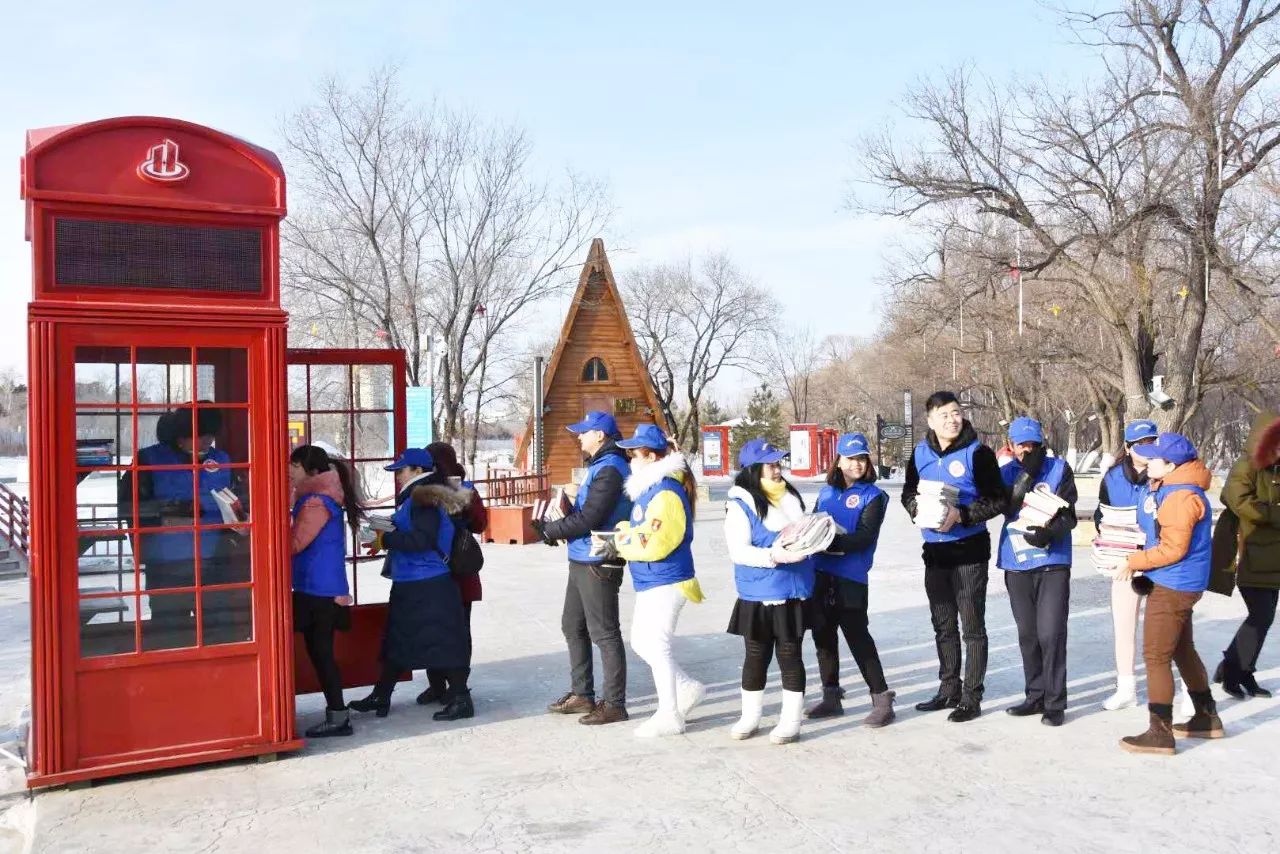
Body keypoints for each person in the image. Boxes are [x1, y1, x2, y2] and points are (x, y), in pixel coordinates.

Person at [901, 391, 1006, 722]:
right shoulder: (919, 453)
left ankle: (971, 697)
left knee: (972, 625)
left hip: (969, 551)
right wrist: (916, 509)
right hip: (934, 551)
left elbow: (997, 500)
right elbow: (907, 493)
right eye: (944, 414)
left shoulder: (979, 453)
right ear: (930, 420)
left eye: (956, 413)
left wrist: (962, 515)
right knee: (943, 624)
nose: (952, 419)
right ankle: (948, 689)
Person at [1117, 433, 1224, 755]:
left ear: (1172, 464)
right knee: (1181, 648)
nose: (1148, 462)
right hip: (1177, 581)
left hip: (1174, 583)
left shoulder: (1180, 497)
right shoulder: (1173, 488)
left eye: (1154, 459)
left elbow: (1173, 549)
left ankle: (1160, 732)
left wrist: (1134, 562)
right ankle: (1206, 717)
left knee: (1155, 656)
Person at [349, 448, 474, 721]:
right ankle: (382, 694)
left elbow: (422, 540)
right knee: (399, 638)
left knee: (441, 641)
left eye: (401, 470)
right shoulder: (422, 495)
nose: (397, 476)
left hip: (427, 582)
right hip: (416, 581)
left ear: (418, 470)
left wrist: (385, 540)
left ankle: (461, 698)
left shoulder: (422, 497)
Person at [532, 411, 633, 725]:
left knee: (604, 633)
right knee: (572, 626)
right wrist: (559, 524)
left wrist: (552, 530)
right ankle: (582, 694)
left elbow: (591, 517)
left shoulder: (612, 469)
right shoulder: (601, 466)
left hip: (599, 558)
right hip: (582, 555)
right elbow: (584, 513)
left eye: (584, 432)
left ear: (600, 435)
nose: (579, 437)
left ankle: (615, 703)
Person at [608, 423, 706, 737]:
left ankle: (669, 714)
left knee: (657, 645)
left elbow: (657, 542)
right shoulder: (651, 488)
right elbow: (644, 529)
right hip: (652, 578)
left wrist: (621, 541)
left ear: (649, 456)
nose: (630, 459)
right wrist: (625, 532)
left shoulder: (665, 491)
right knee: (641, 641)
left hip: (667, 578)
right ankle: (686, 688)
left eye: (633, 453)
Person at [118, 406, 234, 645]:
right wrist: (174, 511)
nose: (207, 441)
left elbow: (238, 499)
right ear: (180, 435)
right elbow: (130, 508)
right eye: (201, 435)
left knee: (219, 629)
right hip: (167, 564)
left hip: (215, 561)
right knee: (170, 630)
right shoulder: (148, 460)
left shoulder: (221, 459)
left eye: (211, 435)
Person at [725, 438, 814, 744]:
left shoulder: (791, 496)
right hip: (760, 592)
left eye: (779, 463)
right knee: (756, 654)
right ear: (754, 470)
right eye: (772, 464)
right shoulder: (740, 504)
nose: (778, 470)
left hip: (794, 589)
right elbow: (738, 551)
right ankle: (750, 716)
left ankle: (791, 721)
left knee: (790, 654)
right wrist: (773, 556)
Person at [804, 432, 896, 727]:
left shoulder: (875, 496)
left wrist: (826, 542)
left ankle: (881, 698)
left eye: (861, 458)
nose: (857, 464)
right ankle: (831, 696)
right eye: (850, 458)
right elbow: (814, 522)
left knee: (858, 637)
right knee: (823, 636)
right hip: (820, 572)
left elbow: (864, 536)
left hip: (851, 577)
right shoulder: (826, 492)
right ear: (839, 460)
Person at [996, 417, 1077, 727]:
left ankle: (1055, 702)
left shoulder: (1059, 469)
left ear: (1042, 443)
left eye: (1032, 444)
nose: (1027, 450)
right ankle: (1035, 695)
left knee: (1051, 633)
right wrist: (1024, 476)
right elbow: (1005, 507)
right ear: (1012, 446)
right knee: (1028, 634)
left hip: (1052, 559)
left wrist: (1049, 533)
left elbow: (1069, 515)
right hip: (1016, 561)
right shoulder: (1006, 472)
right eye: (1021, 444)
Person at [289, 444, 363, 738]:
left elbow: (295, 543)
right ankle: (337, 713)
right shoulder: (316, 498)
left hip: (318, 590)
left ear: (313, 471)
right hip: (318, 586)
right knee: (319, 653)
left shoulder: (315, 503)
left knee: (321, 654)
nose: (288, 472)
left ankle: (338, 715)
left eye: (294, 467)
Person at [416, 441, 489, 708]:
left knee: (434, 630)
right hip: (458, 571)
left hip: (442, 569)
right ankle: (449, 685)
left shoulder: (435, 489)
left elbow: (477, 523)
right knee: (458, 631)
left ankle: (446, 686)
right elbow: (481, 524)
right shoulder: (462, 488)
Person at [1093, 419, 1159, 711]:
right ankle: (1126, 688)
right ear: (1129, 447)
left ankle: (1175, 688)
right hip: (1123, 561)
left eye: (1153, 441)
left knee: (1165, 628)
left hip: (1159, 560)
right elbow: (1100, 513)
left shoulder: (1166, 472)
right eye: (1143, 443)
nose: (1149, 448)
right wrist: (1107, 535)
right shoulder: (1112, 477)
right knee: (1124, 626)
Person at [1214, 410, 1280, 699]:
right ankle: (1233, 670)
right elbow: (1235, 498)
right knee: (1260, 615)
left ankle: (1240, 668)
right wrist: (1274, 514)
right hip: (1247, 550)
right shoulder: (1248, 464)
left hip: (1272, 555)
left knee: (1263, 616)